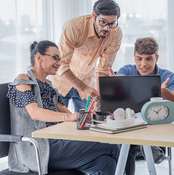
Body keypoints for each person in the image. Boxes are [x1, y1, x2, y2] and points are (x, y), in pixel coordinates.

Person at [6, 40, 119, 174]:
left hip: (58, 141)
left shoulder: (49, 86)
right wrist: (69, 116)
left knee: (106, 163)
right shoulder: (23, 80)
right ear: (38, 57)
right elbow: (34, 112)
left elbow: (67, 113)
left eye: (60, 59)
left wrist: (86, 114)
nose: (59, 63)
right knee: (113, 147)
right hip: (40, 147)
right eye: (55, 58)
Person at [114, 37, 174, 175]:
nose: (143, 64)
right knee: (127, 141)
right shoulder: (126, 71)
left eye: (148, 59)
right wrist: (114, 85)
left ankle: (148, 146)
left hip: (157, 126)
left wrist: (165, 92)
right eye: (139, 58)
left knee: (127, 142)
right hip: (130, 125)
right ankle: (150, 149)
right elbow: (117, 96)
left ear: (156, 57)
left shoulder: (169, 76)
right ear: (134, 57)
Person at [51, 0, 122, 112]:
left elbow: (103, 69)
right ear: (94, 15)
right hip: (62, 81)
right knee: (57, 124)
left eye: (112, 23)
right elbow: (61, 64)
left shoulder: (116, 34)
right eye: (103, 22)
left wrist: (100, 96)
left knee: (87, 124)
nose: (106, 28)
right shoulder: (74, 27)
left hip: (88, 82)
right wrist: (82, 88)